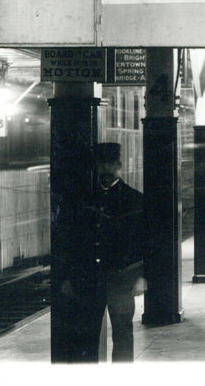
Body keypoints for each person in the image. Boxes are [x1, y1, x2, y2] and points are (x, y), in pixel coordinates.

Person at [57, 142, 146, 362]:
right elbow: (71, 242)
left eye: (110, 164)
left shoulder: (135, 199)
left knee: (123, 334)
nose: (105, 169)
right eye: (101, 164)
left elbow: (145, 243)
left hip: (122, 279)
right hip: (89, 279)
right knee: (86, 335)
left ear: (119, 165)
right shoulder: (82, 200)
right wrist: (67, 277)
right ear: (96, 167)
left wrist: (143, 277)